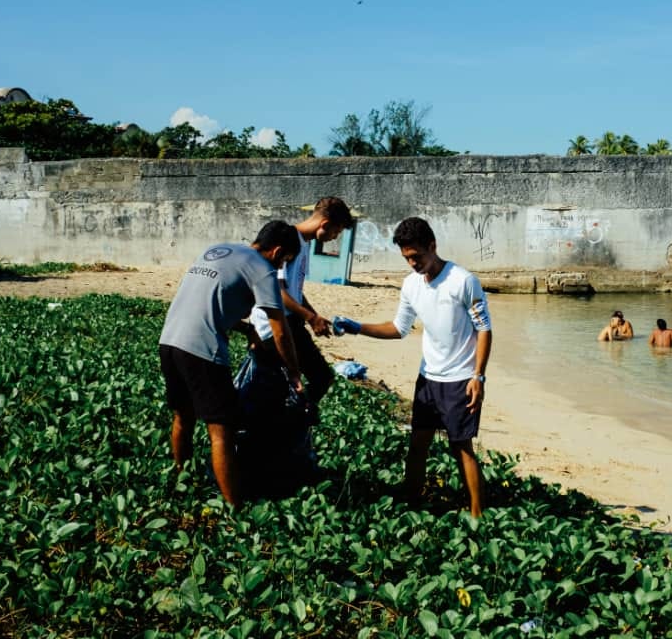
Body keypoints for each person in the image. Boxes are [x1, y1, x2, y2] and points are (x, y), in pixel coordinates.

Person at [332, 217, 492, 517]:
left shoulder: (463, 280)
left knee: (461, 448)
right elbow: (398, 328)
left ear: (432, 246)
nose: (412, 263)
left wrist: (478, 376)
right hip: (428, 378)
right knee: (417, 445)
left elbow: (484, 329)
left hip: (460, 379)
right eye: (406, 258)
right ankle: (412, 506)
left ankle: (477, 515)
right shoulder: (410, 285)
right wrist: (357, 327)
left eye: (416, 256)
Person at [159, 220, 304, 508]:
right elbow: (279, 330)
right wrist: (294, 372)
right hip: (202, 351)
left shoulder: (220, 250)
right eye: (284, 262)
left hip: (169, 341)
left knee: (183, 417)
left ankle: (180, 480)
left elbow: (209, 302)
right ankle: (235, 508)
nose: (281, 269)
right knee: (221, 430)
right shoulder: (263, 270)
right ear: (277, 252)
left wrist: (247, 329)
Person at [249, 197, 355, 421]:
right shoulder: (288, 240)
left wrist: (313, 316)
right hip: (275, 324)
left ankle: (287, 421)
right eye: (336, 232)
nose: (335, 238)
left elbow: (293, 289)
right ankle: (293, 423)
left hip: (289, 321)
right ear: (324, 225)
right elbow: (275, 291)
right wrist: (308, 316)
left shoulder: (303, 244)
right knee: (321, 377)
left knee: (280, 386)